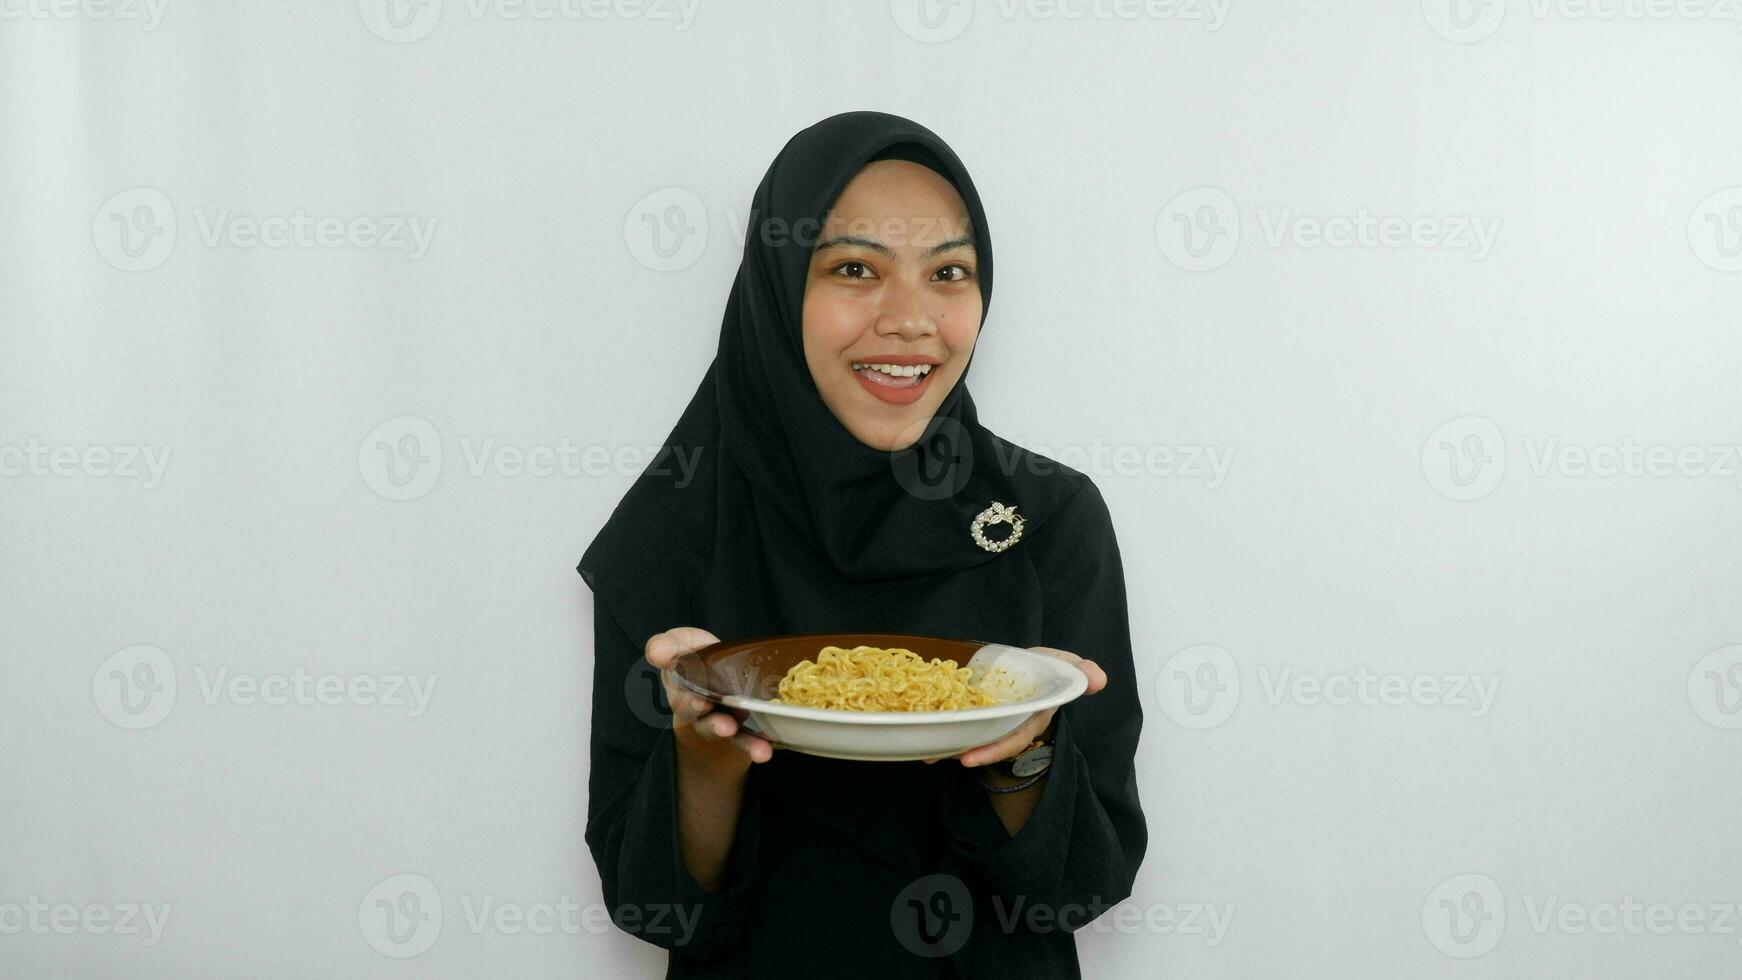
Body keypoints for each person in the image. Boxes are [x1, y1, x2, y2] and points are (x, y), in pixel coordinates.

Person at [577, 110, 1147, 978]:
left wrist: (1025, 748)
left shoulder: (1049, 515)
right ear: (776, 289)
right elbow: (652, 904)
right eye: (854, 269)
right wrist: (703, 755)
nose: (912, 319)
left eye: (948, 272)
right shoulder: (677, 525)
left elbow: (1083, 887)